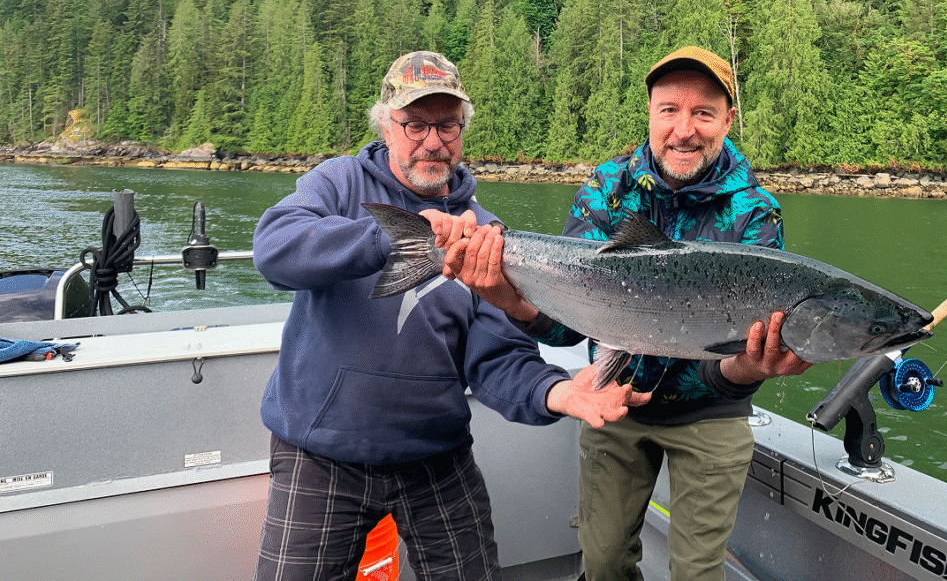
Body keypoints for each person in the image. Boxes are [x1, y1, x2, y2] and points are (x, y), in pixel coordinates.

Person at [250, 50, 648, 581]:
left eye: (447, 125)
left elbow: (499, 359)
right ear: (386, 126)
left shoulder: (486, 235)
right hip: (319, 452)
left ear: (462, 130)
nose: (433, 141)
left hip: (435, 454)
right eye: (415, 124)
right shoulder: (340, 182)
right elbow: (275, 249)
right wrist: (394, 237)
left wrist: (560, 392)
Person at [442, 46, 813, 581]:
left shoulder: (756, 213)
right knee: (604, 562)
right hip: (613, 399)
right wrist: (507, 297)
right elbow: (566, 329)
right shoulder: (606, 189)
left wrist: (751, 368)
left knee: (698, 573)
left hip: (711, 411)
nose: (684, 130)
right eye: (669, 110)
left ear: (728, 120)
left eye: (703, 113)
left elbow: (729, 363)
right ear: (650, 112)